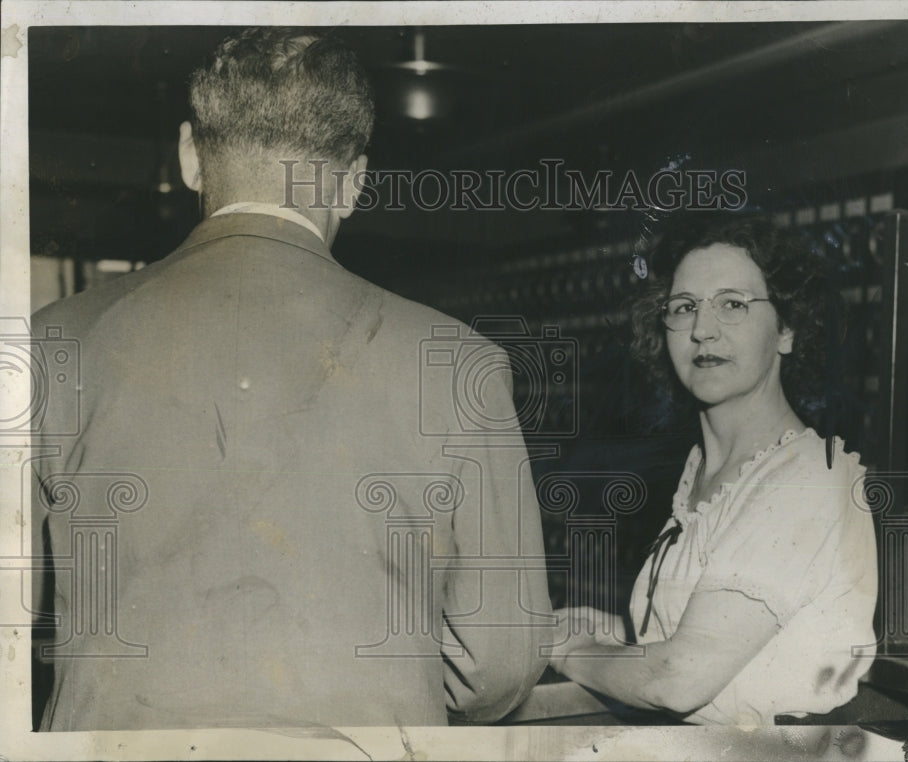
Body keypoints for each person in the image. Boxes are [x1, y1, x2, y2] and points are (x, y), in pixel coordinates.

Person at [31, 28, 552, 730]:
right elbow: (500, 661)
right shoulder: (458, 361)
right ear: (354, 182)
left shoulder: (52, 342)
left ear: (190, 155)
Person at [549, 214, 878, 725]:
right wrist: (615, 632)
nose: (702, 330)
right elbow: (719, 645)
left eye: (733, 304)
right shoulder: (703, 470)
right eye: (684, 308)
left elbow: (677, 681)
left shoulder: (805, 479)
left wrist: (569, 649)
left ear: (786, 330)